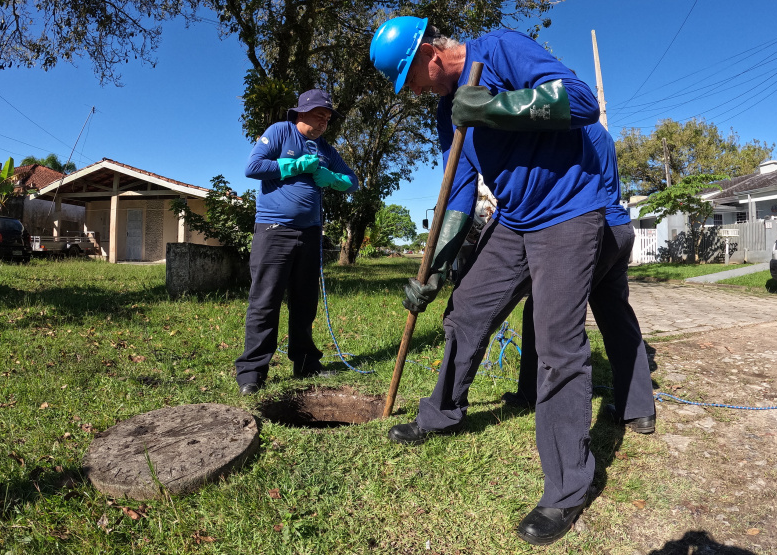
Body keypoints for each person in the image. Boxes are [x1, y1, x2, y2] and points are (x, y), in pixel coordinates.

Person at [370, 17, 608, 546]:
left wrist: (495, 108)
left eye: (412, 78)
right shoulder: (445, 114)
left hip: (568, 210)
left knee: (556, 343)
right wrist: (432, 270)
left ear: (430, 54)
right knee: (467, 308)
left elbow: (582, 101)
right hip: (517, 220)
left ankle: (567, 489)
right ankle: (442, 413)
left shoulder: (500, 51)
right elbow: (457, 193)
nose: (415, 90)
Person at [502, 122, 657, 435]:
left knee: (541, 308)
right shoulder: (601, 132)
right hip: (620, 228)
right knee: (617, 318)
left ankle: (532, 394)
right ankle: (639, 410)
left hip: (594, 229)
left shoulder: (568, 125)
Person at [234, 89, 359, 395]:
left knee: (305, 302)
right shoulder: (281, 132)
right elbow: (253, 167)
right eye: (320, 115)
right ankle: (252, 372)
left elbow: (352, 181)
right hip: (274, 229)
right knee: (265, 301)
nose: (324, 122)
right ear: (302, 112)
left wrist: (331, 178)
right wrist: (295, 166)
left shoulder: (326, 149)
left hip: (310, 233)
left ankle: (306, 363)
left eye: (328, 118)